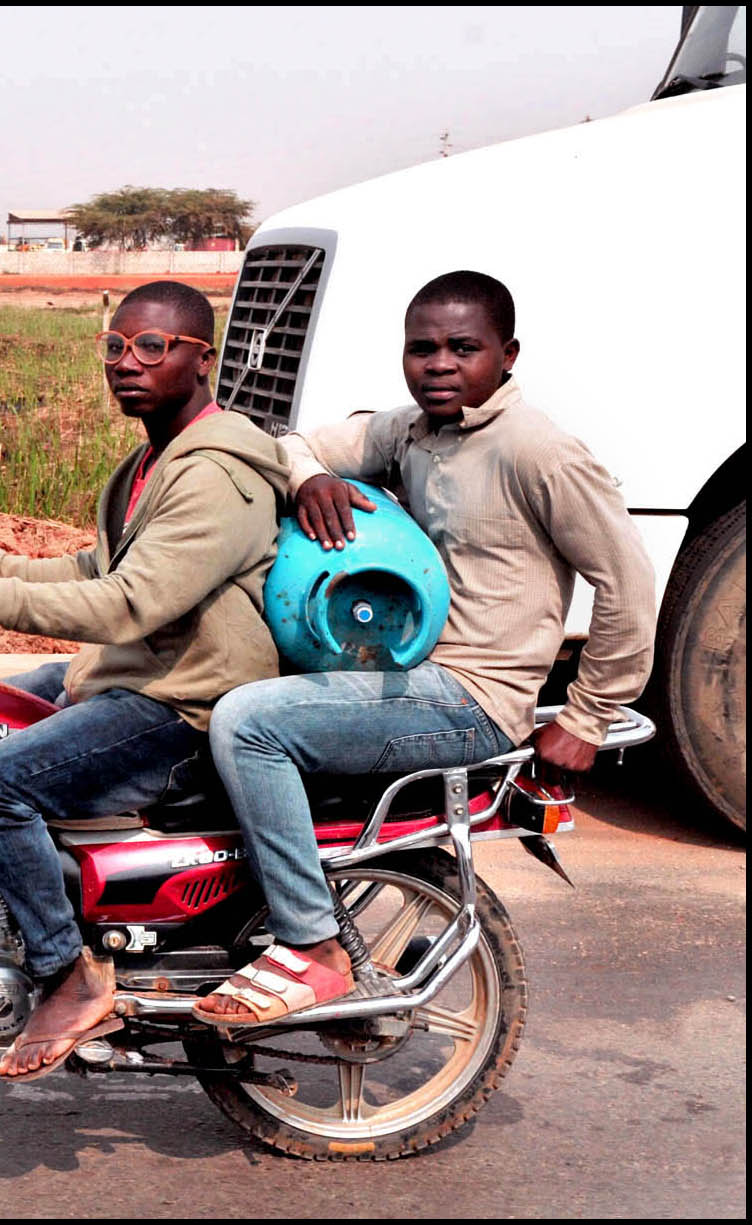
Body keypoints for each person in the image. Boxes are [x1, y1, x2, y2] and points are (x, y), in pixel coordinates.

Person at [193, 270, 656, 1027]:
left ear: (506, 355)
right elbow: (296, 443)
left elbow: (629, 583)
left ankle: (309, 945)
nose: (439, 364)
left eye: (462, 348)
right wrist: (311, 478)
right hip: (405, 672)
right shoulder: (407, 429)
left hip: (471, 696)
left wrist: (589, 714)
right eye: (422, 348)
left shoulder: (539, 451)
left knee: (251, 722)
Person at [0, 280, 289, 1079]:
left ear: (200, 359)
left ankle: (66, 973)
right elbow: (95, 565)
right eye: (115, 346)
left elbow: (128, 601)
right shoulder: (153, 459)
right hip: (138, 674)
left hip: (182, 702)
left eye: (152, 346)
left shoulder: (214, 475)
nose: (126, 363)